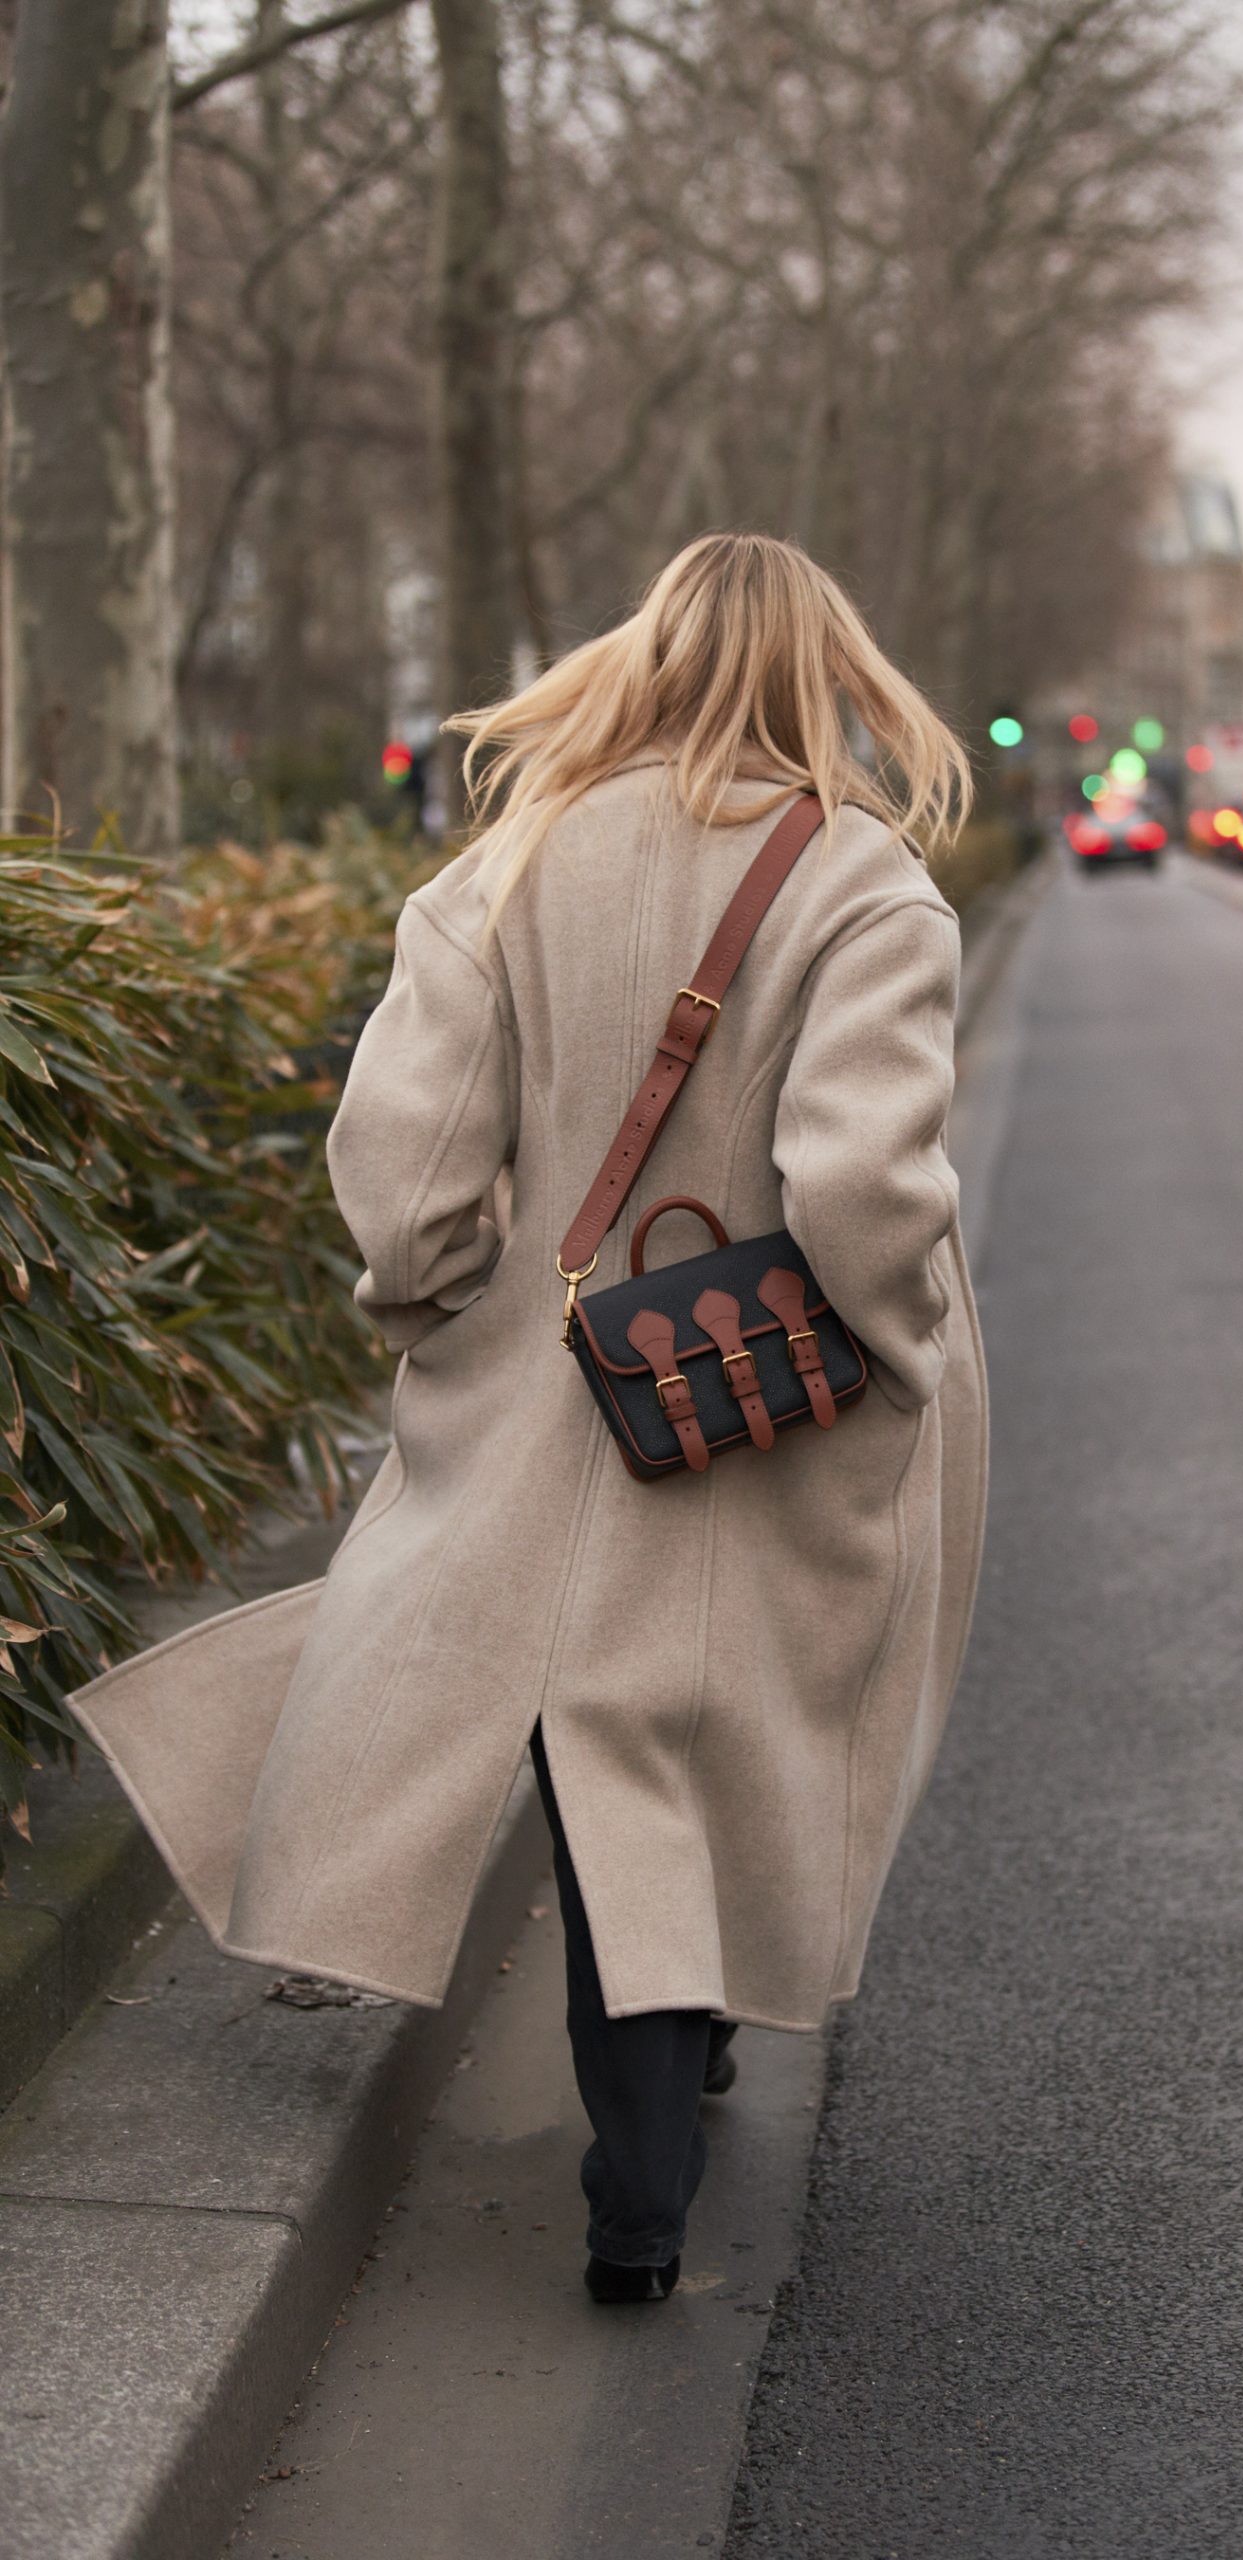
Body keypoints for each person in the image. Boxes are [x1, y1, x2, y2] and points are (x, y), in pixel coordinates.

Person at [70, 533, 988, 2308]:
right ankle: (652, 2168)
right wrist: (900, 1359)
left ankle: (642, 2183)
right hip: (764, 1400)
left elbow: (407, 1183)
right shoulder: (868, 886)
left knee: (603, 1758)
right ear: (838, 679)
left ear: (634, 661)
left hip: (539, 1396)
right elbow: (866, 1189)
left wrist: (443, 1319)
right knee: (712, 1732)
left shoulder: (506, 865)